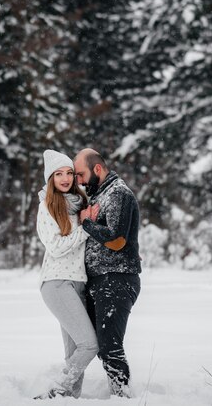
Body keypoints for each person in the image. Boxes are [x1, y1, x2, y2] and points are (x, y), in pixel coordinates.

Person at [73, 148, 142, 398]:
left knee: (110, 346)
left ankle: (122, 397)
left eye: (81, 173)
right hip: (101, 279)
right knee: (96, 344)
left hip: (116, 278)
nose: (78, 180)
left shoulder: (118, 193)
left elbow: (117, 240)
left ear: (98, 169)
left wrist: (86, 224)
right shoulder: (99, 195)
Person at [34, 149, 99, 400]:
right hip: (57, 283)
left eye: (69, 173)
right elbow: (56, 247)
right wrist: (86, 227)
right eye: (58, 174)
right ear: (50, 178)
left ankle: (67, 400)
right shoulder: (47, 207)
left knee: (74, 352)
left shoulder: (79, 205)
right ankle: (57, 389)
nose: (65, 178)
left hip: (79, 283)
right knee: (89, 345)